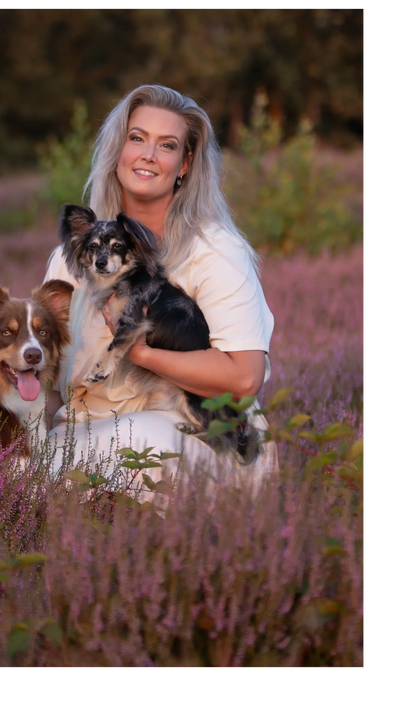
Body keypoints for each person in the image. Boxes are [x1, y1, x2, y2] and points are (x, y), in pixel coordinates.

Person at [42, 84, 278, 495]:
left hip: (196, 432)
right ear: (118, 149)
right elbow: (46, 380)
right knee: (19, 468)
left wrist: (141, 353)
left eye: (166, 145)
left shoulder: (215, 252)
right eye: (137, 138)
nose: (148, 155)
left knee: (136, 445)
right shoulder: (68, 261)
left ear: (184, 164)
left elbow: (243, 378)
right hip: (85, 430)